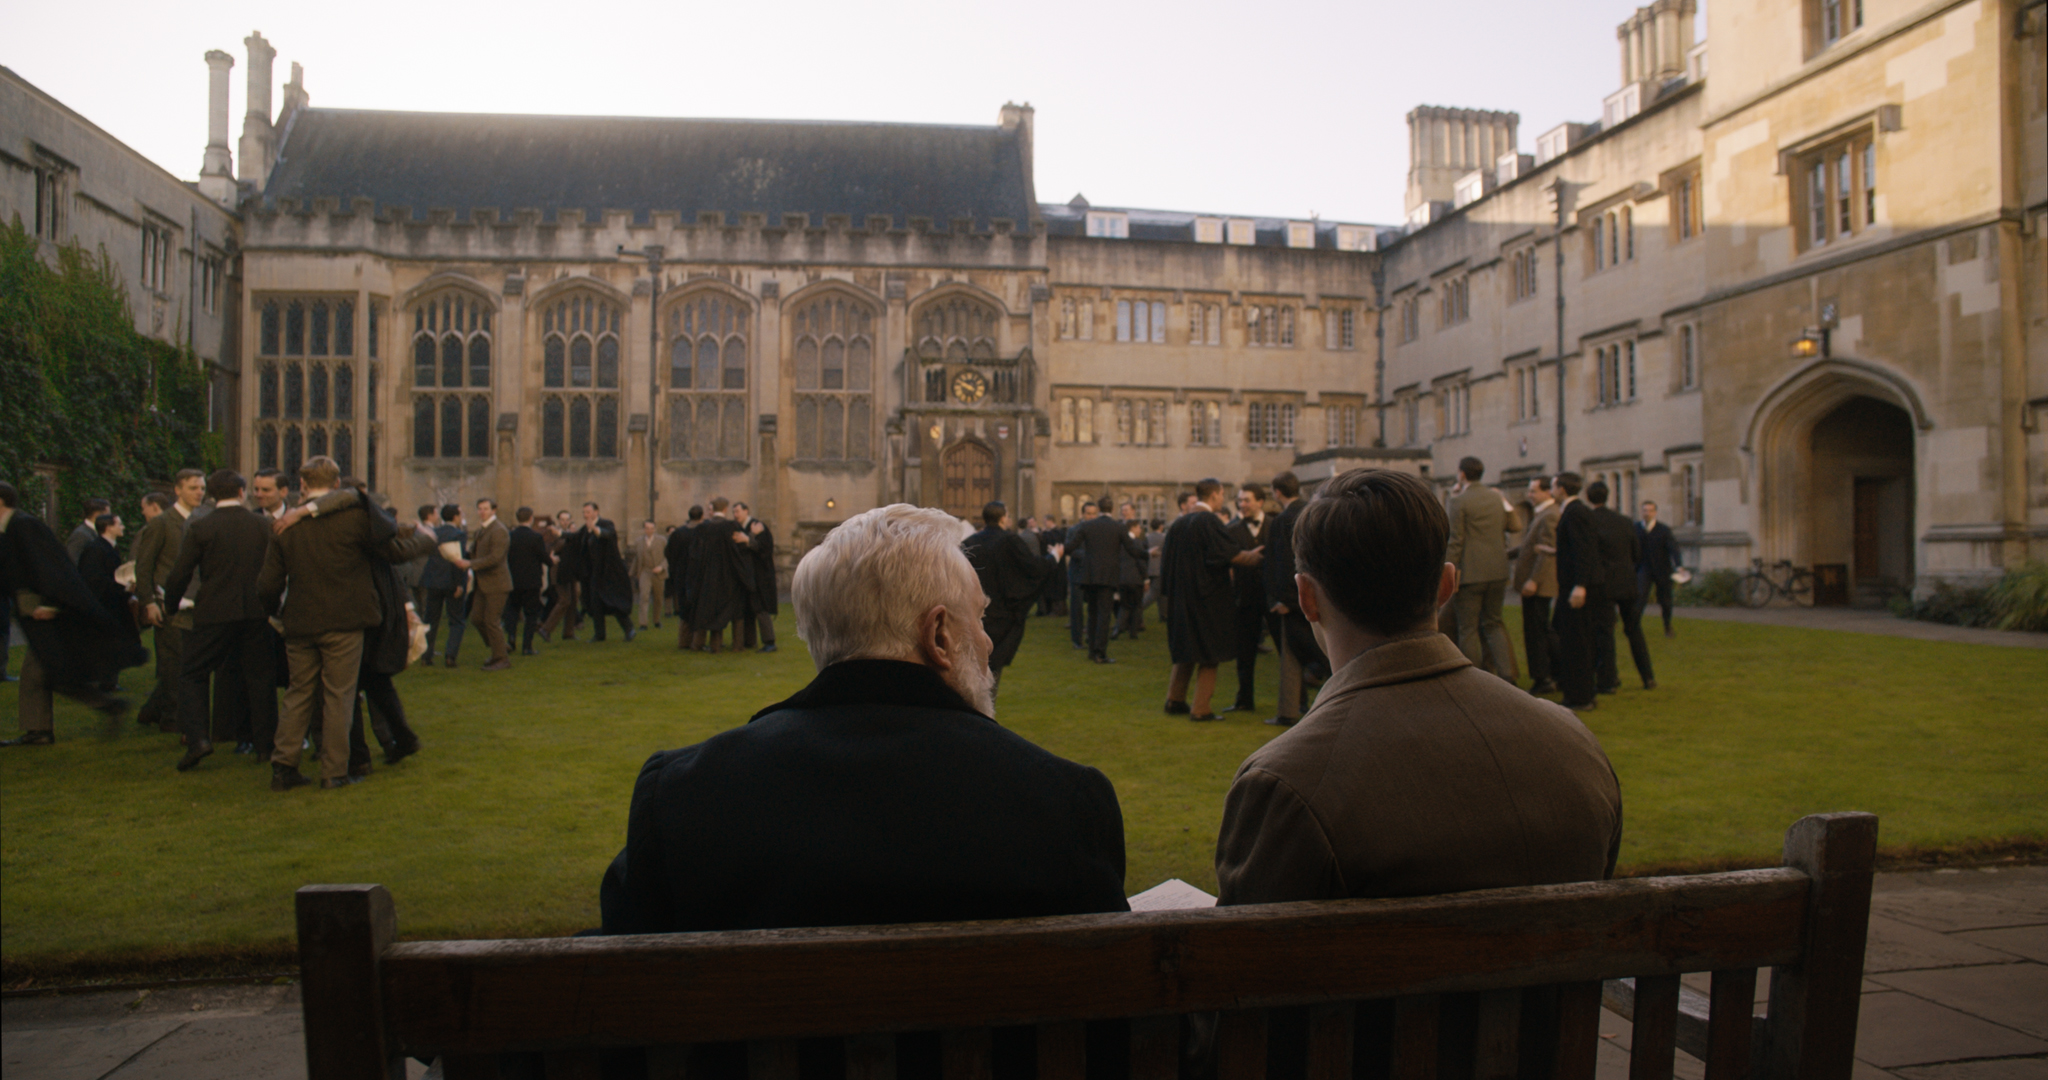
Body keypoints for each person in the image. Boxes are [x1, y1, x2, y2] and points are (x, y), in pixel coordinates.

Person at [598, 502, 1129, 936]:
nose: (988, 641)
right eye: (981, 617)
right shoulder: (1063, 802)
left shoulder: (685, 795)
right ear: (938, 634)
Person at [1213, 467, 1623, 905]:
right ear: (1447, 584)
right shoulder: (1574, 743)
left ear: (1306, 598)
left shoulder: (1286, 784)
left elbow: (1245, 963)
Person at [257, 456, 434, 790]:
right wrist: (428, 540)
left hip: (300, 620)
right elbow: (394, 551)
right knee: (339, 695)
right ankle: (335, 771)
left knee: (299, 694)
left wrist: (275, 612)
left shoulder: (285, 526)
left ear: (303, 484)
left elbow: (267, 584)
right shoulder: (355, 519)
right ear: (337, 483)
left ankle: (283, 767)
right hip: (345, 620)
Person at [161, 469, 294, 771]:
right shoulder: (262, 525)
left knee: (193, 673)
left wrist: (171, 605)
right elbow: (278, 569)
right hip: (255, 612)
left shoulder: (201, 527)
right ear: (241, 492)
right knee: (260, 678)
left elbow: (180, 572)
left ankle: (198, 739)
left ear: (211, 494)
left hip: (214, 612)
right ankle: (265, 745)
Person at [1, 481, 143, 745]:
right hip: (39, 611)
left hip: (48, 612)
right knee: (51, 672)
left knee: (45, 672)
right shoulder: (11, 528)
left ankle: (42, 730)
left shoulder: (23, 526)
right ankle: (105, 707)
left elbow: (53, 568)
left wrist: (52, 604)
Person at [1161, 479, 1261, 721]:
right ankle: (1201, 708)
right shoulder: (1208, 521)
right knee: (1209, 653)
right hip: (1206, 599)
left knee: (1187, 649)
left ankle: (1175, 700)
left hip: (1180, 598)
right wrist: (1256, 556)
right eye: (1221, 494)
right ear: (1215, 495)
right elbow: (1229, 554)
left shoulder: (1178, 524)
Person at [133, 471, 206, 732]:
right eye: (193, 487)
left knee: (190, 663)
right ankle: (171, 718)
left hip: (198, 603)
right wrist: (148, 602)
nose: (199, 492)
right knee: (172, 661)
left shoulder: (203, 520)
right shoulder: (162, 523)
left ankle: (154, 711)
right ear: (178, 490)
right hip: (168, 604)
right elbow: (144, 567)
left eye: (201, 487)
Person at [963, 501, 1060, 696]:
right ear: (1003, 518)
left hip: (974, 612)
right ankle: (984, 709)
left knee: (974, 663)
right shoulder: (1009, 541)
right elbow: (1032, 568)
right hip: (1002, 612)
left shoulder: (970, 542)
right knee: (992, 665)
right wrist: (1054, 557)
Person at [1261, 471, 1325, 727]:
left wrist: (1281, 598)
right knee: (1321, 648)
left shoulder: (1283, 520)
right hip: (1318, 592)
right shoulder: (1314, 514)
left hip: (1292, 596)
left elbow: (1280, 564)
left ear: (1277, 492)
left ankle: (1288, 711)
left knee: (1291, 656)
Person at [1445, 457, 1518, 680]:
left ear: (1462, 474)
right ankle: (1509, 675)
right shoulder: (1496, 498)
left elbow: (1456, 540)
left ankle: (1474, 678)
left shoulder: (1459, 501)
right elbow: (1515, 526)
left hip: (1471, 572)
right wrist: (1504, 503)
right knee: (1494, 622)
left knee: (1468, 628)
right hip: (1497, 570)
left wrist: (1448, 569)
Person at [1588, 482, 1654, 692]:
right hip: (1627, 582)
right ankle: (1648, 676)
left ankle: (1608, 680)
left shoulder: (1590, 521)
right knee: (1634, 629)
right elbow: (1636, 553)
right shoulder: (1625, 522)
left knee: (1605, 632)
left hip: (1604, 583)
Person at [1549, 473, 1602, 711]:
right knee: (1567, 635)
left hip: (1576, 588)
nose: (1552, 489)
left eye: (1553, 485)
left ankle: (1580, 696)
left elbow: (1584, 550)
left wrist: (1580, 585)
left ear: (1561, 488)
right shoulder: (1574, 512)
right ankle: (1579, 691)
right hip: (1572, 585)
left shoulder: (1576, 512)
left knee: (1576, 642)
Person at [1069, 496, 1143, 664]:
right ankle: (1099, 652)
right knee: (1102, 614)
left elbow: (1071, 546)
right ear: (1113, 509)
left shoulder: (1089, 526)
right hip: (1105, 576)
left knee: (1093, 613)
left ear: (1099, 509)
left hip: (1091, 576)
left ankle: (1092, 650)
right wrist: (1148, 555)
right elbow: (1131, 549)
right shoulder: (1116, 527)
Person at [1510, 477, 1561, 696]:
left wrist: (1534, 580)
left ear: (1548, 492)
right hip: (1536, 582)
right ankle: (1554, 672)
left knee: (1537, 631)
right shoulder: (1542, 513)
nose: (1530, 495)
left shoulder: (1550, 515)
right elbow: (1530, 546)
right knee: (1541, 629)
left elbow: (1546, 551)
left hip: (1539, 585)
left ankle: (1543, 677)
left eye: (1534, 491)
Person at [1225, 484, 1270, 713]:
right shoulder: (1231, 529)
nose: (1242, 504)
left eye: (1247, 500)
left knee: (1287, 650)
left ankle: (1297, 702)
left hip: (1272, 598)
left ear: (1260, 502)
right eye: (1240, 500)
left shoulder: (1275, 526)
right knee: (1245, 652)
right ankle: (1244, 700)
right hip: (1244, 598)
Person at [457, 498, 513, 671]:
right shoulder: (483, 529)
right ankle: (500, 647)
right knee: (476, 618)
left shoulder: (499, 530)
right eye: (479, 509)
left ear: (494, 510)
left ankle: (501, 658)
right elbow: (474, 552)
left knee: (491, 621)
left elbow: (495, 558)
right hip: (483, 582)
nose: (482, 512)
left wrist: (470, 564)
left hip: (497, 582)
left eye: (486, 509)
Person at [688, 498, 750, 652]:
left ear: (712, 509)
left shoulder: (703, 528)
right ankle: (737, 645)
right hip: (729, 578)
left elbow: (695, 554)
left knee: (708, 609)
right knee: (736, 611)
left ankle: (709, 645)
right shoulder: (732, 527)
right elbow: (741, 551)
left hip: (708, 577)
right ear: (725, 509)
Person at [575, 503, 636, 642]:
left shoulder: (606, 524)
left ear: (596, 511)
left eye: (588, 512)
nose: (586, 515)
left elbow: (608, 535)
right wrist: (560, 533)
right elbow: (576, 538)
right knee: (596, 603)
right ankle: (599, 634)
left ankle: (629, 629)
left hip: (609, 571)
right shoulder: (585, 529)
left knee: (613, 601)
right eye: (584, 512)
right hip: (594, 574)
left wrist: (595, 529)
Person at [418, 505, 468, 667]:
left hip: (434, 580)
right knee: (456, 620)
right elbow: (457, 559)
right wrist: (460, 583)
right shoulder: (458, 534)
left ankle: (426, 654)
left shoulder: (435, 533)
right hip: (451, 580)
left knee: (431, 618)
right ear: (455, 517)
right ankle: (450, 655)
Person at [503, 507, 550, 656]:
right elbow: (543, 557)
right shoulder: (535, 537)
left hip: (514, 579)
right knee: (531, 614)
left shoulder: (510, 536)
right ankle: (527, 646)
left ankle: (511, 636)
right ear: (531, 518)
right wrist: (552, 560)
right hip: (531, 581)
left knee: (512, 610)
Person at [732, 502, 777, 652]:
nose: (735, 515)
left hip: (760, 576)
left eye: (738, 511)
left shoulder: (758, 526)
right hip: (746, 576)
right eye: (734, 512)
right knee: (747, 609)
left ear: (746, 511)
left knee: (760, 608)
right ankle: (749, 641)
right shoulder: (740, 528)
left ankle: (769, 642)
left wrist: (749, 540)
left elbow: (765, 550)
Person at [1637, 501, 1681, 638]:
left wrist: (1679, 565)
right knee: (1640, 598)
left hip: (1662, 569)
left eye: (1650, 510)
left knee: (1665, 601)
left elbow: (1673, 548)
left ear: (1655, 513)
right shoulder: (1636, 528)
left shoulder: (1663, 530)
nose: (1647, 513)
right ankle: (1634, 626)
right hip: (1643, 568)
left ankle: (1667, 626)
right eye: (1645, 510)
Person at [76, 514, 129, 624]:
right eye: (119, 524)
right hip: (103, 605)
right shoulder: (95, 549)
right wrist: (123, 586)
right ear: (108, 527)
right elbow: (94, 578)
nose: (123, 527)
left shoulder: (109, 547)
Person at [540, 509, 583, 643]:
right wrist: (566, 538)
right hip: (558, 571)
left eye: (567, 519)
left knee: (573, 600)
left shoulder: (571, 533)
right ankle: (545, 629)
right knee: (564, 600)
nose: (565, 522)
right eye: (562, 519)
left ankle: (568, 631)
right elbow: (549, 549)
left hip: (570, 570)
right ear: (558, 520)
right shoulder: (553, 533)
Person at [666, 505, 702, 650]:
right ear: (701, 516)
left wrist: (675, 569)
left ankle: (684, 641)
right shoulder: (703, 532)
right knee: (698, 608)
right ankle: (697, 641)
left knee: (684, 608)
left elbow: (669, 553)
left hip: (681, 574)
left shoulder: (678, 533)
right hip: (698, 574)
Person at [634, 520, 666, 630]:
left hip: (659, 571)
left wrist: (662, 567)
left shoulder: (662, 540)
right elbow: (637, 559)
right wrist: (634, 572)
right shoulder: (638, 541)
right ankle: (643, 623)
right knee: (644, 596)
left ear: (655, 529)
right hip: (645, 571)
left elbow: (668, 556)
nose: (649, 530)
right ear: (644, 529)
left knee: (658, 598)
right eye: (647, 528)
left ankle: (657, 620)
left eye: (651, 528)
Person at [65, 499, 112, 563]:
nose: (111, 518)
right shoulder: (80, 535)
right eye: (108, 514)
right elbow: (72, 561)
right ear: (98, 514)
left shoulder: (98, 532)